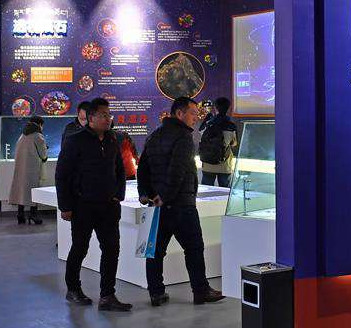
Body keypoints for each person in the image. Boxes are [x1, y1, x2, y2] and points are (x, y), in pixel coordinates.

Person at [137, 97, 225, 306]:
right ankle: (201, 291)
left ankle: (156, 292)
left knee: (156, 251)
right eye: (193, 113)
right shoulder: (183, 138)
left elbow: (143, 168)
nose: (196, 118)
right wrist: (166, 196)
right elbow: (177, 171)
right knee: (194, 248)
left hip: (158, 205)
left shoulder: (155, 135)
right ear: (179, 113)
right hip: (181, 204)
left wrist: (146, 193)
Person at [55, 98, 131, 311]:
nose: (108, 119)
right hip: (83, 206)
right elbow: (62, 175)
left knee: (111, 249)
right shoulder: (75, 140)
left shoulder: (112, 139)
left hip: (108, 206)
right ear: (91, 118)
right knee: (80, 248)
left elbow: (120, 170)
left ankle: (107, 295)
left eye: (109, 115)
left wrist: (119, 195)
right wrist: (65, 206)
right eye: (103, 115)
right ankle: (73, 289)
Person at [8, 115, 48, 225]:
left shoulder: (22, 135)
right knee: (33, 190)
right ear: (40, 124)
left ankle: (20, 214)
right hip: (33, 168)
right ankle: (33, 214)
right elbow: (43, 154)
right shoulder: (38, 136)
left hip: (21, 168)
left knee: (21, 190)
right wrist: (45, 156)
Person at [199, 97, 238, 188]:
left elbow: (201, 136)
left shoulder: (208, 124)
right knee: (224, 192)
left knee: (206, 191)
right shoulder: (231, 126)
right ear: (228, 109)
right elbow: (234, 143)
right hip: (224, 165)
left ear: (215, 108)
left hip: (207, 163)